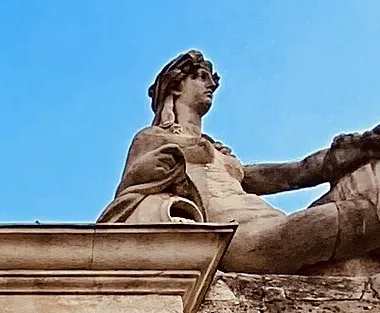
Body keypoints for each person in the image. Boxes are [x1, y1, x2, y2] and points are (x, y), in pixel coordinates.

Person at [98, 51, 380, 277]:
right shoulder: (153, 137)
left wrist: (362, 146)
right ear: (176, 85)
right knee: (361, 214)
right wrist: (176, 163)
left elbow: (296, 172)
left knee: (370, 176)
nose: (210, 85)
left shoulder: (223, 156)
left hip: (276, 224)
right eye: (200, 77)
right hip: (241, 239)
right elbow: (133, 187)